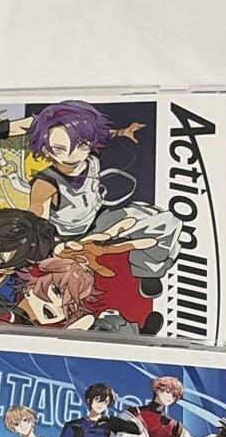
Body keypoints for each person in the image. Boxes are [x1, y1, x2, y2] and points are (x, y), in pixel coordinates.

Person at [26, 101, 179, 298]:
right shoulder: (45, 184)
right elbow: (36, 228)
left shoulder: (91, 159)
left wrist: (122, 132)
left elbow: (99, 133)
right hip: (67, 239)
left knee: (165, 221)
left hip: (99, 221)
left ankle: (149, 270)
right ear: (46, 150)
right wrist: (57, 249)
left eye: (81, 145)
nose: (72, 155)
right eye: (59, 149)